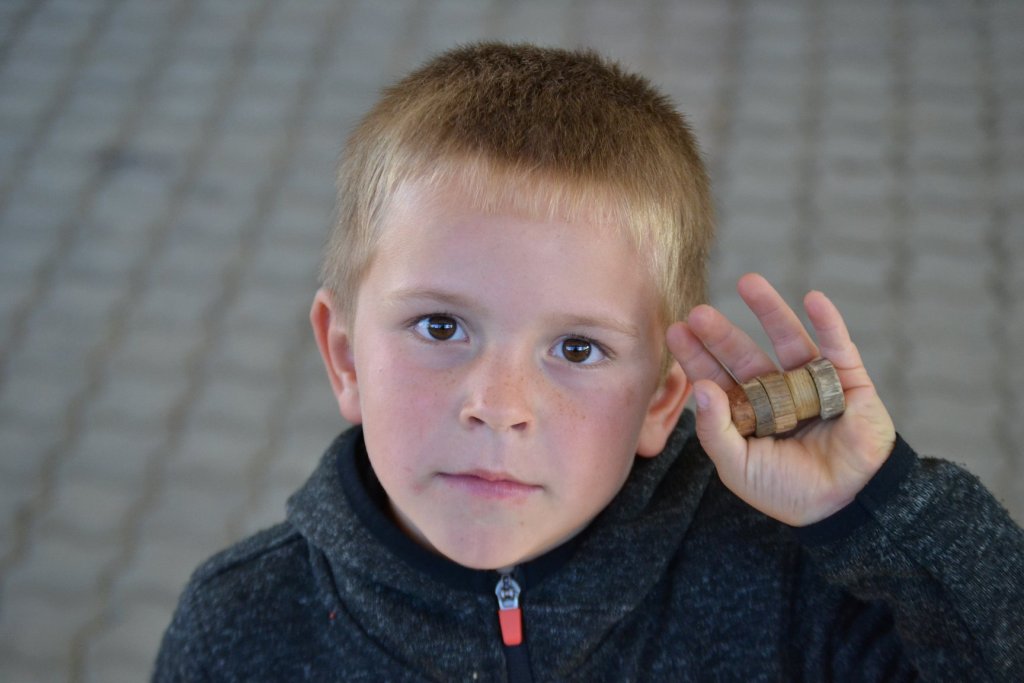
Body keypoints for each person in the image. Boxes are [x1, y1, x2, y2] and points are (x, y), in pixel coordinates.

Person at [153, 43, 1023, 681]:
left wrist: (888, 510)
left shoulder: (794, 590)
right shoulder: (243, 625)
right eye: (441, 326)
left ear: (660, 400)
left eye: (577, 347)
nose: (498, 404)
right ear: (344, 357)